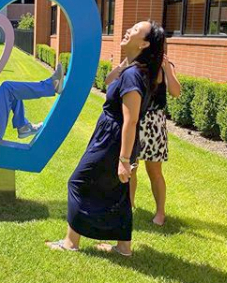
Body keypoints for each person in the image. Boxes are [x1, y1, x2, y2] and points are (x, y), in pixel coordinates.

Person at [46, 20, 166, 256]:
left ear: (143, 44)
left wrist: (123, 160)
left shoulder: (134, 75)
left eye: (135, 31)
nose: (128, 30)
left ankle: (71, 242)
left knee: (79, 181)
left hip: (113, 140)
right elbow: (110, 83)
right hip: (113, 137)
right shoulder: (135, 70)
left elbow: (130, 121)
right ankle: (123, 247)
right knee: (117, 192)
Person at [106, 53, 181, 226]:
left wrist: (167, 68)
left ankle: (160, 212)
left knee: (154, 171)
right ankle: (129, 205)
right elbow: (108, 81)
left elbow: (176, 92)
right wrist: (122, 65)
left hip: (154, 124)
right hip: (134, 120)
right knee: (130, 168)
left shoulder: (164, 65)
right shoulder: (133, 64)